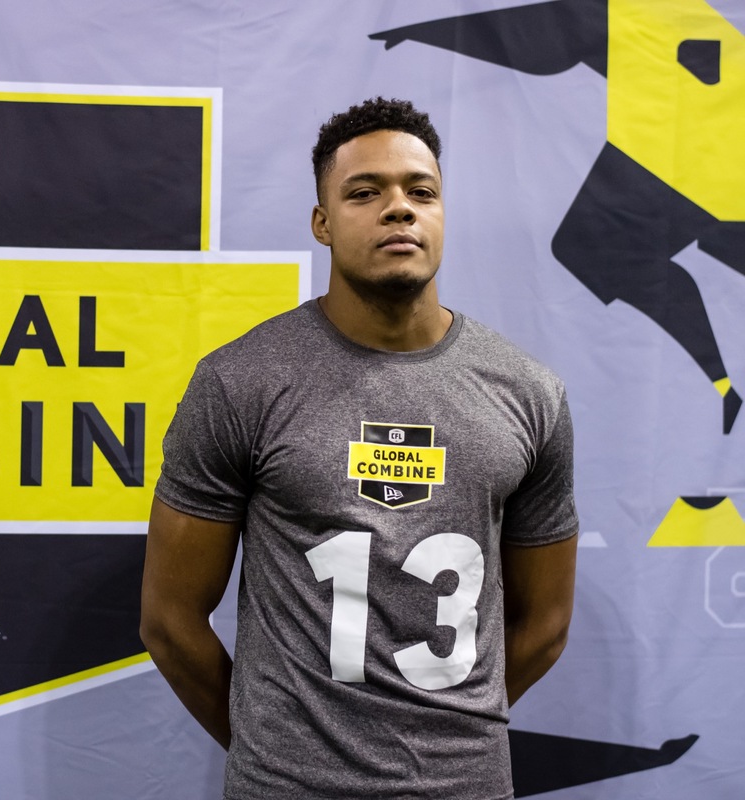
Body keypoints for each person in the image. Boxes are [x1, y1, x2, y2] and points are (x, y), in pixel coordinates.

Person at [139, 97, 579, 799]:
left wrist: (453, 735)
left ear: (442, 213)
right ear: (322, 222)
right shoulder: (240, 382)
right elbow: (169, 621)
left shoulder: (528, 393)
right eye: (365, 192)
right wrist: (276, 751)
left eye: (421, 192)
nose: (399, 208)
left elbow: (546, 625)